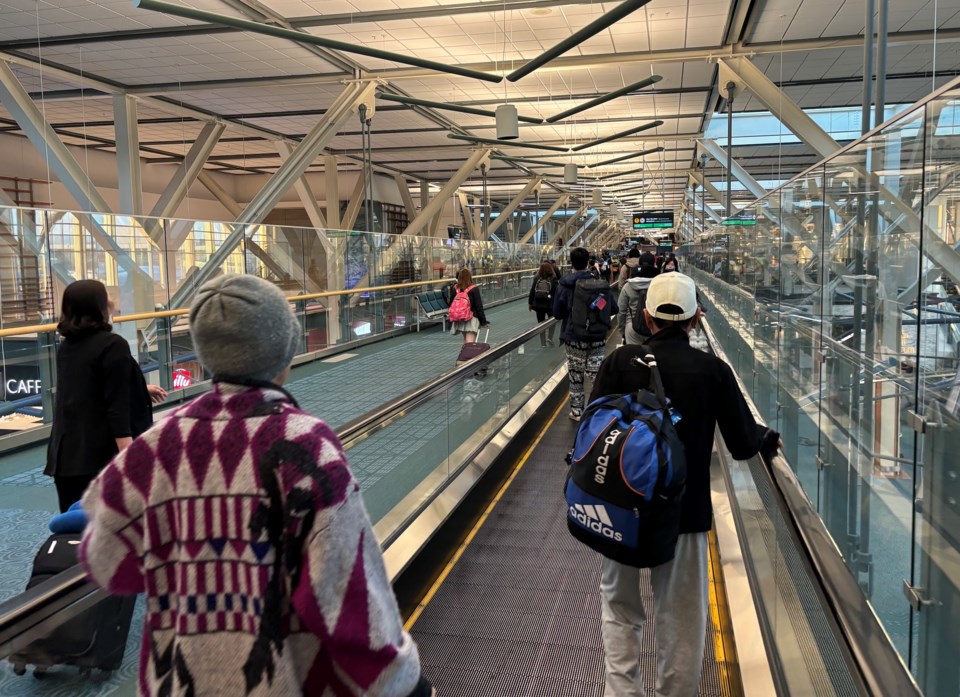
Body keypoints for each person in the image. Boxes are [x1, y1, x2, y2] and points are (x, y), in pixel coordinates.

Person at [80, 275, 432, 697]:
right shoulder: (306, 447)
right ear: (286, 350)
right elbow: (346, 598)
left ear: (206, 352)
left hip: (176, 682)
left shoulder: (158, 445)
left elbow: (105, 561)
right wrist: (404, 682)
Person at [588, 272, 780, 697]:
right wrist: (765, 436)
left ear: (647, 318)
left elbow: (592, 424)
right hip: (684, 514)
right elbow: (743, 444)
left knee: (619, 609)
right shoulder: (712, 371)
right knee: (680, 619)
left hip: (621, 510)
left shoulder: (620, 362)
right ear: (695, 319)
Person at [44, 280, 166, 513]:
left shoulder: (67, 346)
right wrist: (130, 459)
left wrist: (139, 388)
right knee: (114, 533)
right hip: (101, 458)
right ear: (98, 306)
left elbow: (85, 392)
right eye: (107, 297)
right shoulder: (113, 345)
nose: (112, 301)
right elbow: (115, 408)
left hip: (67, 458)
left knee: (75, 532)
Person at [553, 246, 617, 422]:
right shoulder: (599, 283)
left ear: (571, 263)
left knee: (576, 374)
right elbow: (614, 308)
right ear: (589, 262)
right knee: (596, 374)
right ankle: (599, 409)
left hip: (574, 338)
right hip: (597, 336)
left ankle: (577, 411)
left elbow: (557, 313)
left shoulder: (565, 284)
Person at [616, 262, 659, 346]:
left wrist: (622, 330)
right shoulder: (657, 286)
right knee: (652, 356)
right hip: (653, 327)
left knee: (633, 356)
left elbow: (621, 311)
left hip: (632, 327)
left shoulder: (627, 286)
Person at [448, 267, 489, 343]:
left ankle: (465, 354)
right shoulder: (474, 289)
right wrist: (483, 322)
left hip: (460, 318)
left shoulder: (455, 288)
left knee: (466, 341)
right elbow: (478, 307)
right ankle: (469, 355)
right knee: (470, 342)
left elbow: (451, 303)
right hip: (472, 318)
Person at [528, 261, 558, 347]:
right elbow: (556, 291)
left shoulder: (537, 277)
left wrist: (530, 303)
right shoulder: (553, 277)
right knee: (552, 321)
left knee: (541, 323)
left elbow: (532, 291)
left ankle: (543, 342)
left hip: (538, 304)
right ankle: (550, 338)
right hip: (550, 304)